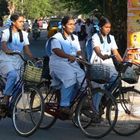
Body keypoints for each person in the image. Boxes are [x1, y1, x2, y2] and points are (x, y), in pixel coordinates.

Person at [45, 16, 86, 115]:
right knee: (70, 78)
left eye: (74, 24)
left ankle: (74, 103)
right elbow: (57, 51)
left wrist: (82, 57)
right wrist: (69, 56)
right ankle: (64, 105)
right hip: (58, 64)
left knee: (83, 80)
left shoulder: (75, 37)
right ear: (63, 26)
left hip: (72, 64)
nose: (73, 26)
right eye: (70, 24)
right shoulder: (56, 37)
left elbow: (78, 51)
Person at [90, 17, 123, 114]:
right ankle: (95, 112)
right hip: (98, 65)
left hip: (109, 65)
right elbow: (97, 50)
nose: (108, 29)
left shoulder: (111, 38)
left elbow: (116, 53)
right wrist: (102, 55)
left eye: (109, 27)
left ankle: (105, 95)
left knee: (117, 80)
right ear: (100, 27)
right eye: (106, 27)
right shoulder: (95, 37)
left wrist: (123, 62)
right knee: (99, 89)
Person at [0, 13, 34, 106]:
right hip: (6, 60)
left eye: (23, 21)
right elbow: (3, 45)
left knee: (20, 84)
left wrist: (33, 58)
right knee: (13, 75)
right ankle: (6, 97)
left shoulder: (24, 34)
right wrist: (7, 50)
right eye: (20, 21)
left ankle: (12, 105)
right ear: (13, 22)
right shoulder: (6, 32)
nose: (22, 23)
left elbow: (26, 49)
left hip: (19, 61)